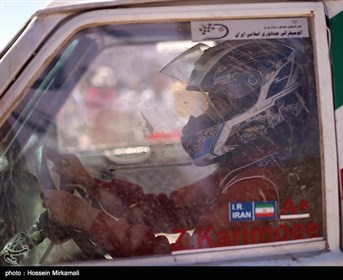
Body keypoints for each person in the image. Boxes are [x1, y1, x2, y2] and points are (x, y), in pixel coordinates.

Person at [41, 40, 323, 259]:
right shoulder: (247, 167)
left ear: (258, 110)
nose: (202, 116)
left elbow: (173, 260)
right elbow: (170, 210)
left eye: (218, 104)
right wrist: (92, 186)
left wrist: (89, 220)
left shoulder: (253, 191)